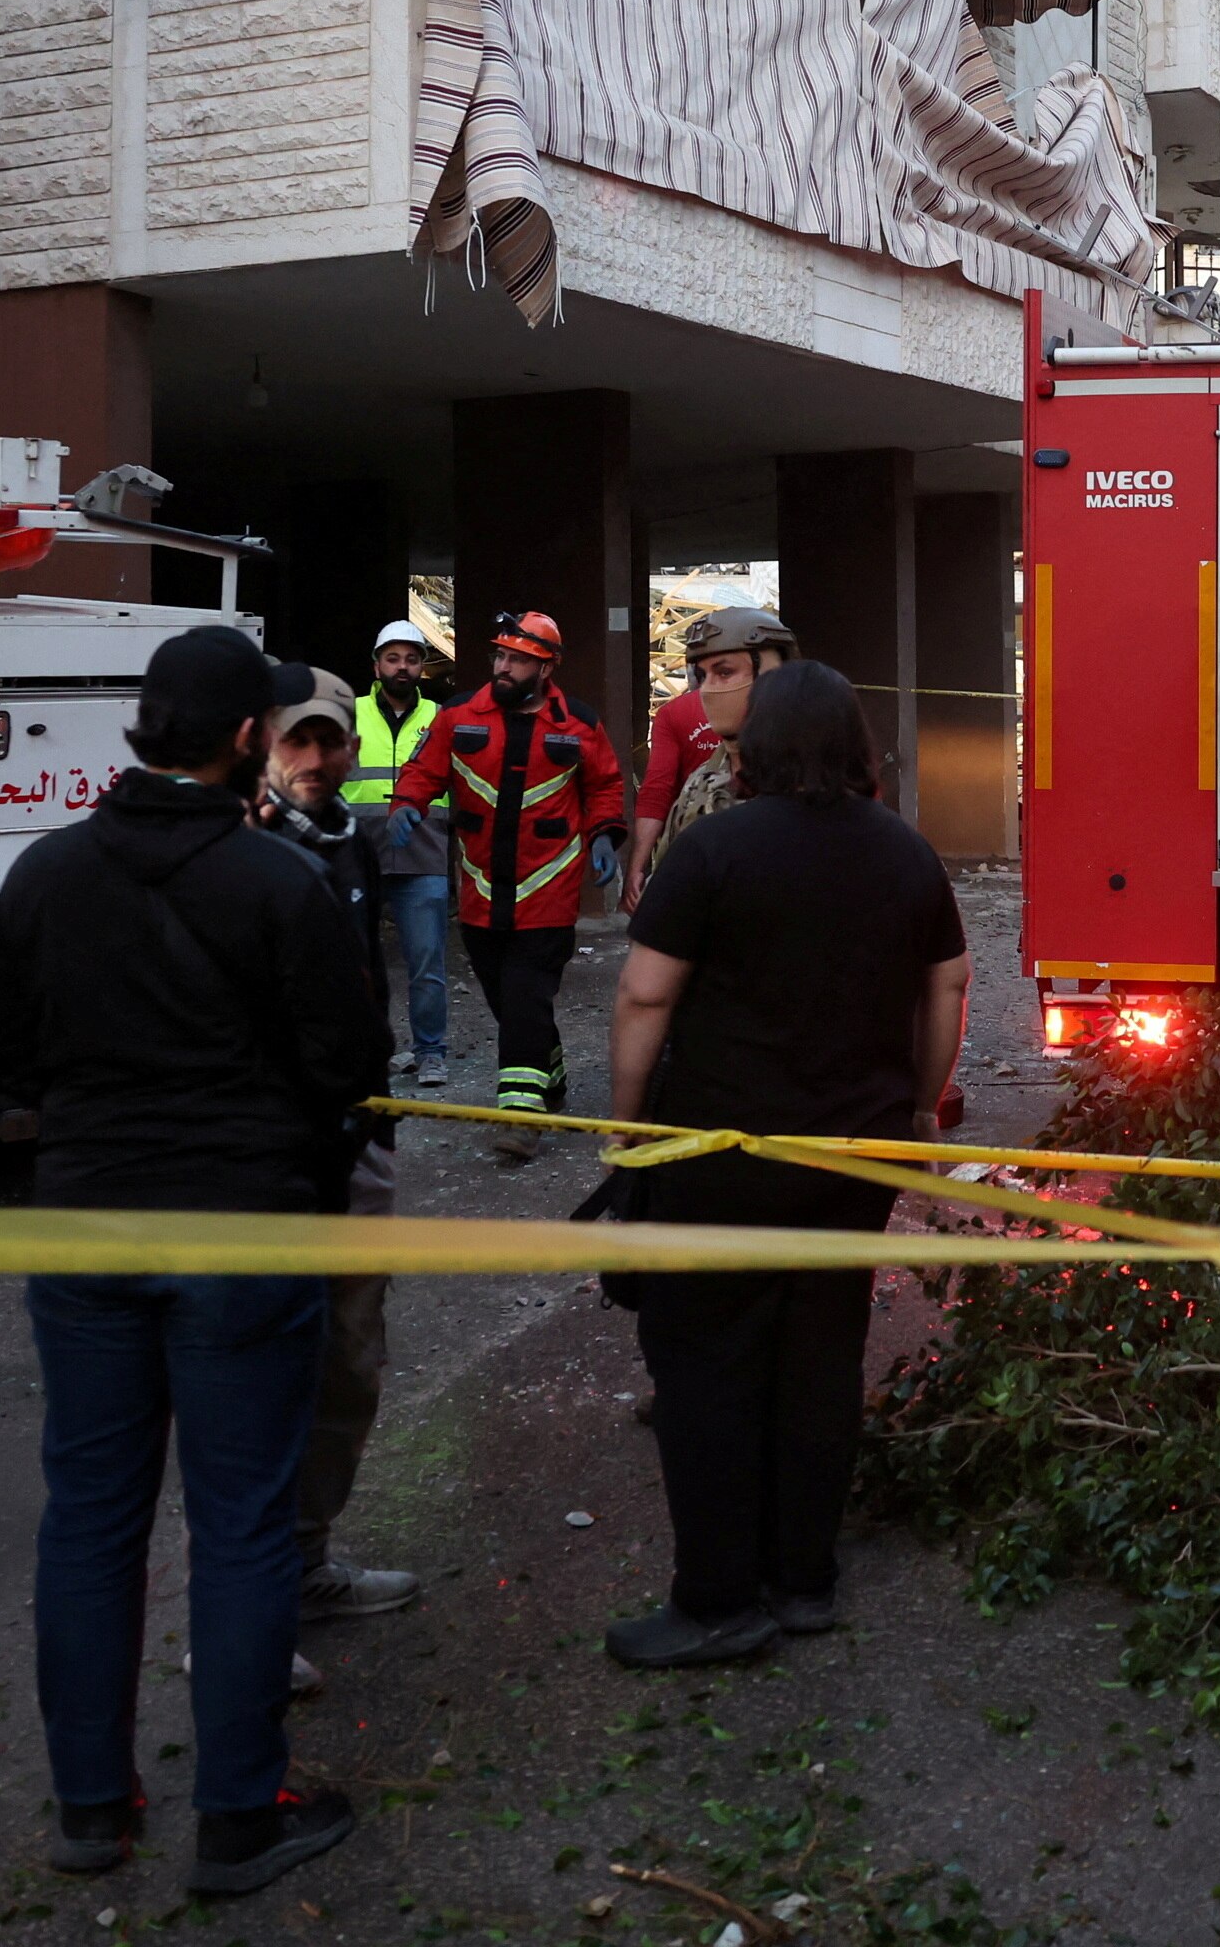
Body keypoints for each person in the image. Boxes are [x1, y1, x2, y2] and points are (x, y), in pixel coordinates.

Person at [0, 627, 391, 1902]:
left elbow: (5, 1066)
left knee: (92, 1519)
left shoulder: (45, 873)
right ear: (243, 741)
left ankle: (90, 1805)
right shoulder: (276, 886)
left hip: (86, 1230)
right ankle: (237, 1812)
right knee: (244, 1522)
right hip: (243, 1235)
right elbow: (349, 1069)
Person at [600, 664, 968, 1670]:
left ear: (754, 745)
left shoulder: (715, 847)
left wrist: (628, 1127)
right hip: (854, 1154)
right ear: (856, 745)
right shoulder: (906, 853)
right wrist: (921, 1105)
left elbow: (643, 997)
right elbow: (949, 983)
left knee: (708, 1366)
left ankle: (718, 1599)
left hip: (722, 1153)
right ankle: (804, 1580)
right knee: (819, 1357)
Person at [251, 670, 424, 1629]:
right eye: (298, 742)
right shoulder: (240, 850)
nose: (317, 760)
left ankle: (306, 1562)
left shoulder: (350, 844)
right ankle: (246, 1605)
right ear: (265, 744)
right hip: (273, 1165)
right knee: (266, 1375)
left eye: (331, 741)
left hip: (358, 1143)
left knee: (352, 1363)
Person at [386, 611, 628, 1142]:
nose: (503, 667)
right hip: (479, 888)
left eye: (518, 660)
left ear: (547, 668)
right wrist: (408, 803)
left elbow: (605, 787)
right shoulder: (457, 716)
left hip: (549, 886)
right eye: (500, 656)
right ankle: (551, 1071)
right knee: (507, 996)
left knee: (523, 991)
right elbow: (425, 770)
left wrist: (605, 835)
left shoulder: (580, 724)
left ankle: (521, 1115)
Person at [344, 622, 453, 1091]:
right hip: (356, 855)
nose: (402, 668)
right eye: (393, 659)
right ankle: (365, 1051)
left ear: (422, 667)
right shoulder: (346, 714)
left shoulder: (440, 717)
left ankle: (431, 1053)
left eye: (411, 659)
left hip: (423, 856)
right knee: (355, 961)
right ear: (377, 665)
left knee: (427, 962)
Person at [633, 606, 796, 885]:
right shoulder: (700, 786)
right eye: (702, 675)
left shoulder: (822, 783)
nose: (707, 689)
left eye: (724, 672)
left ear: (773, 677)